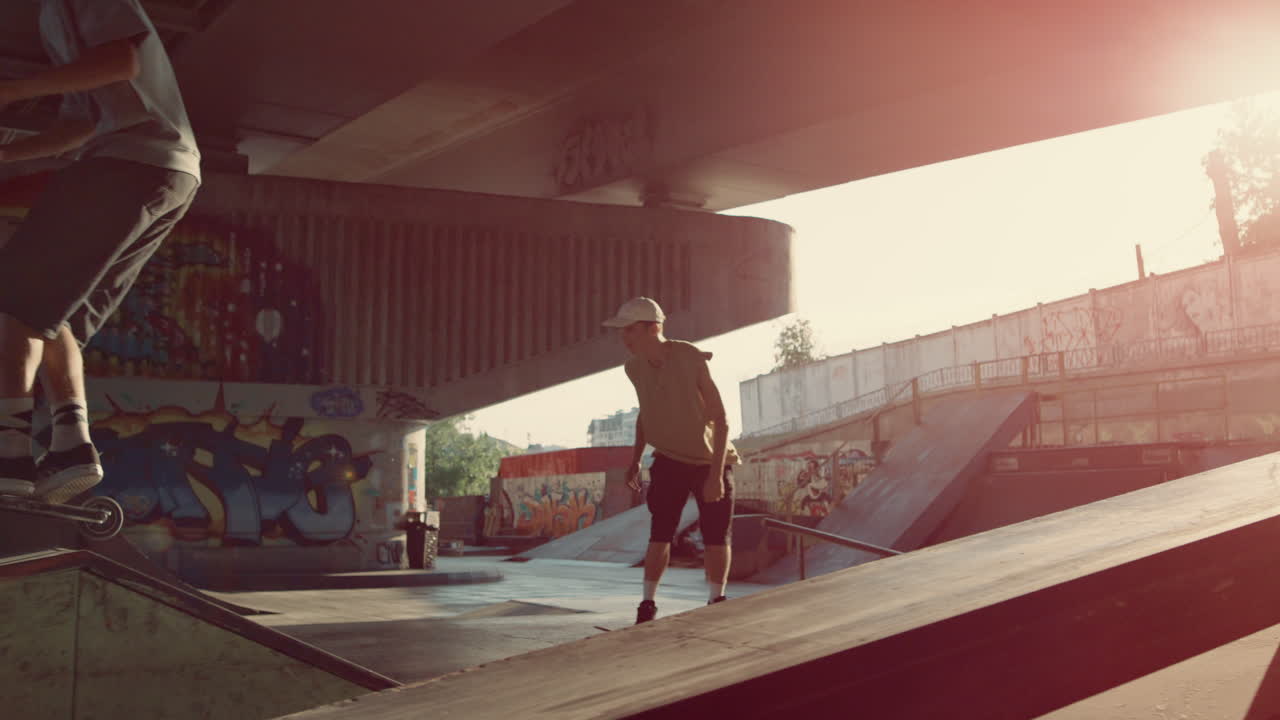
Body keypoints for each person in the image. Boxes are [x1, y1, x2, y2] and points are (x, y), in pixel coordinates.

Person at [0, 0, 201, 503]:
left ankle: (10, 454)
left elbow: (120, 63)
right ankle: (71, 447)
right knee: (51, 317)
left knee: (11, 305)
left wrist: (14, 90)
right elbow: (81, 126)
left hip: (129, 165)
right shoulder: (53, 19)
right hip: (167, 174)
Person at [602, 296, 740, 624]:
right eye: (622, 332)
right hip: (668, 459)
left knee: (716, 534)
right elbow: (645, 414)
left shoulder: (689, 357)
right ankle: (647, 604)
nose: (625, 338)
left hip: (710, 459)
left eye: (630, 330)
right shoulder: (633, 368)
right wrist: (635, 460)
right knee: (659, 532)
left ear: (655, 328)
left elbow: (721, 419)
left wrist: (716, 475)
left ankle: (716, 599)